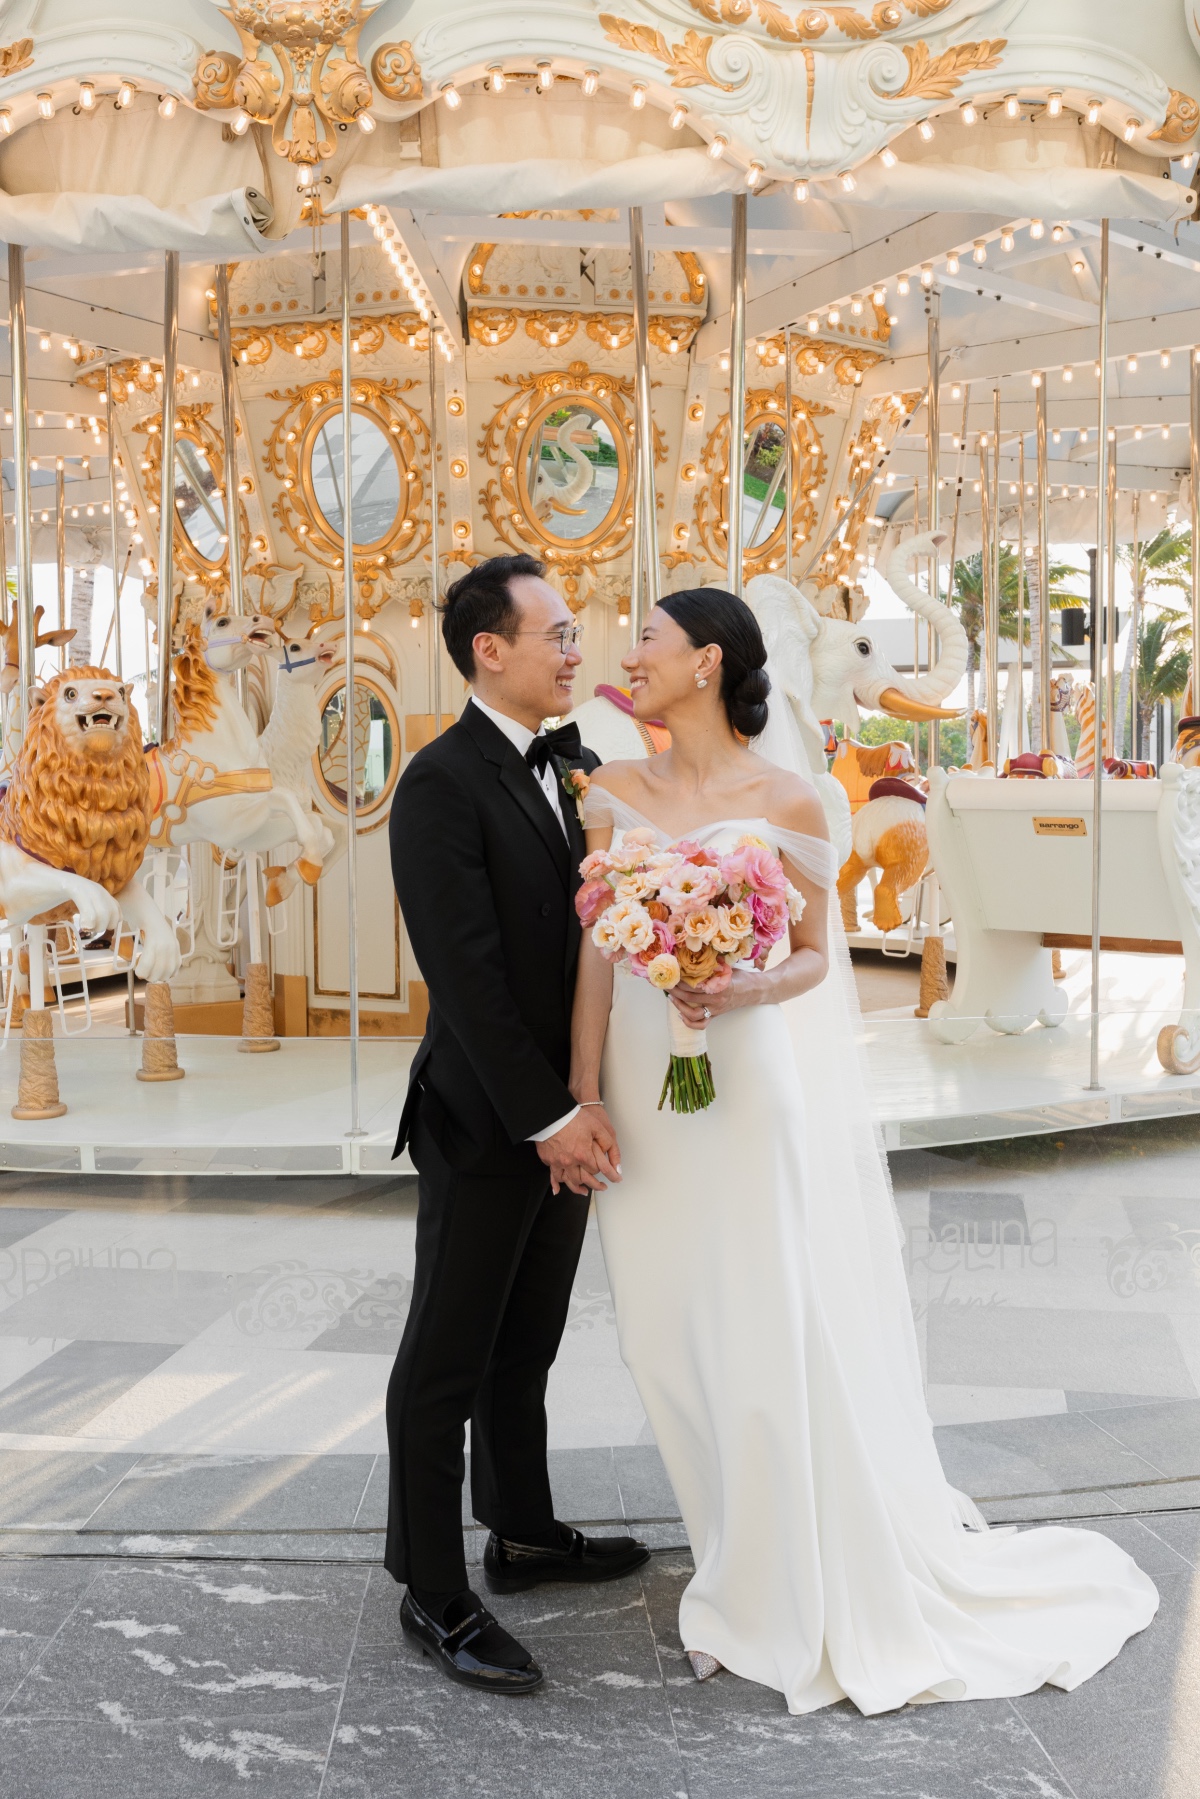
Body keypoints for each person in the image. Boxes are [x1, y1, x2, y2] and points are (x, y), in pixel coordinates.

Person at [568, 585, 1158, 1717]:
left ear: (705, 663)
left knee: (761, 1319)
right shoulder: (615, 790)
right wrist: (584, 1088)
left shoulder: (788, 794)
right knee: (660, 1331)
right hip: (646, 1085)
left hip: (748, 1080)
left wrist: (742, 982)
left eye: (646, 639)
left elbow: (809, 958)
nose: (625, 655)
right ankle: (736, 1545)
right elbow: (595, 953)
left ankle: (767, 1588)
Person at [385, 553, 649, 1696]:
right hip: (489, 1119)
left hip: (567, 1111)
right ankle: (432, 1586)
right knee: (444, 1358)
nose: (575, 648)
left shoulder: (579, 765)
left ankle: (525, 1530)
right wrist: (549, 1114)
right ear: (490, 648)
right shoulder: (439, 782)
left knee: (525, 1342)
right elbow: (470, 977)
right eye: (557, 632)